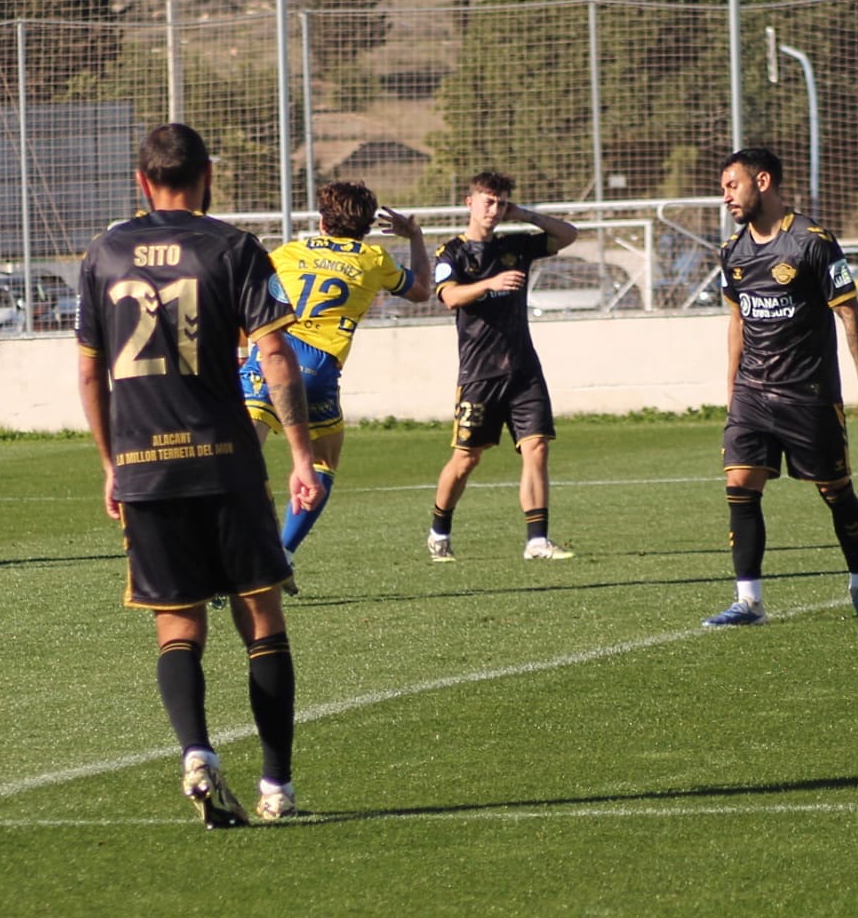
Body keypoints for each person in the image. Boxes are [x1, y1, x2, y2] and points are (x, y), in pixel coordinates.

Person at [76, 123, 324, 828]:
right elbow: (275, 355)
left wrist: (110, 464)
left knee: (177, 624)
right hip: (225, 461)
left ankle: (196, 750)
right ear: (207, 174)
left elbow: (90, 373)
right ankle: (276, 785)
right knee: (261, 617)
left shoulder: (104, 253)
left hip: (144, 468)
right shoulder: (233, 248)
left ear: (142, 180)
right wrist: (300, 454)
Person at [702, 148, 858, 627]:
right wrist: (732, 388)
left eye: (732, 185)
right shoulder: (732, 251)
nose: (725, 196)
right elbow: (737, 322)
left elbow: (848, 312)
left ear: (762, 181)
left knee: (835, 490)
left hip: (808, 394)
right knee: (739, 485)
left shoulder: (812, 242)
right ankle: (749, 601)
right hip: (752, 393)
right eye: (723, 188)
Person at [241, 181, 430, 578]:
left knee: (239, 460)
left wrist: (242, 352)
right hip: (317, 368)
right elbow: (421, 291)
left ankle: (232, 549)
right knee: (322, 461)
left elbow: (248, 302)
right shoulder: (374, 258)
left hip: (271, 355)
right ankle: (283, 552)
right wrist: (414, 236)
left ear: (323, 221)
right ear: (366, 226)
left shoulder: (287, 253)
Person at [425, 170, 579, 563]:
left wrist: (524, 214)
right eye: (488, 201)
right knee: (466, 459)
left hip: (524, 370)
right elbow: (450, 296)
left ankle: (537, 541)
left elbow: (568, 235)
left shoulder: (515, 245)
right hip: (480, 373)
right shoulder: (451, 253)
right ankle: (439, 529)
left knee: (536, 448)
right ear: (470, 203)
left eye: (501, 203)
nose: (494, 210)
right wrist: (489, 284)